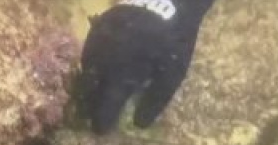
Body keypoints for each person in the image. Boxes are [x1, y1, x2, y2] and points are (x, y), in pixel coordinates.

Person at [79, 0, 216, 134]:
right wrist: (145, 116)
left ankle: (88, 102)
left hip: (111, 23)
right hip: (134, 45)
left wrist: (87, 64)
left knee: (87, 96)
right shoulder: (188, 19)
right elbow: (173, 73)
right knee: (101, 122)